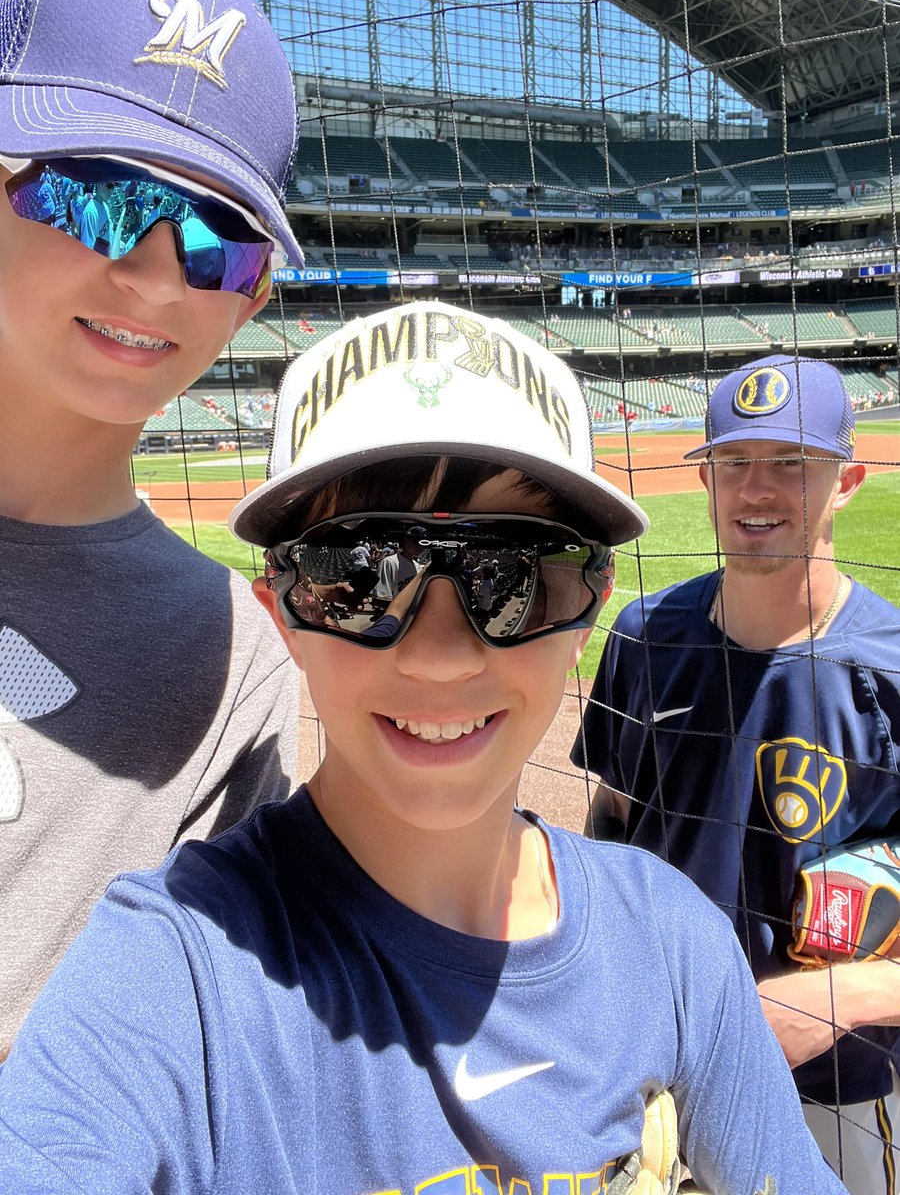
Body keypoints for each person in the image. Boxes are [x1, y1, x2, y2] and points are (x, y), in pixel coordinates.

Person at [0, 305, 848, 1193]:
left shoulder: (675, 945)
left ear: (589, 610)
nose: (440, 657)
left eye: (516, 577)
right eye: (359, 579)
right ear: (283, 612)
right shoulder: (171, 973)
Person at [0, 0, 305, 1054]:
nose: (154, 276)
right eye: (97, 199)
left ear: (254, 294)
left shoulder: (235, 666)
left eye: (219, 242)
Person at [571, 355, 900, 1194]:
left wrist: (841, 1001)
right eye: (733, 463)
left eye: (793, 463)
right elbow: (610, 820)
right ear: (707, 478)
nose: (757, 490)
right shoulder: (646, 637)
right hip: (659, 1066)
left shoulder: (892, 666)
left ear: (849, 480)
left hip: (836, 1085)